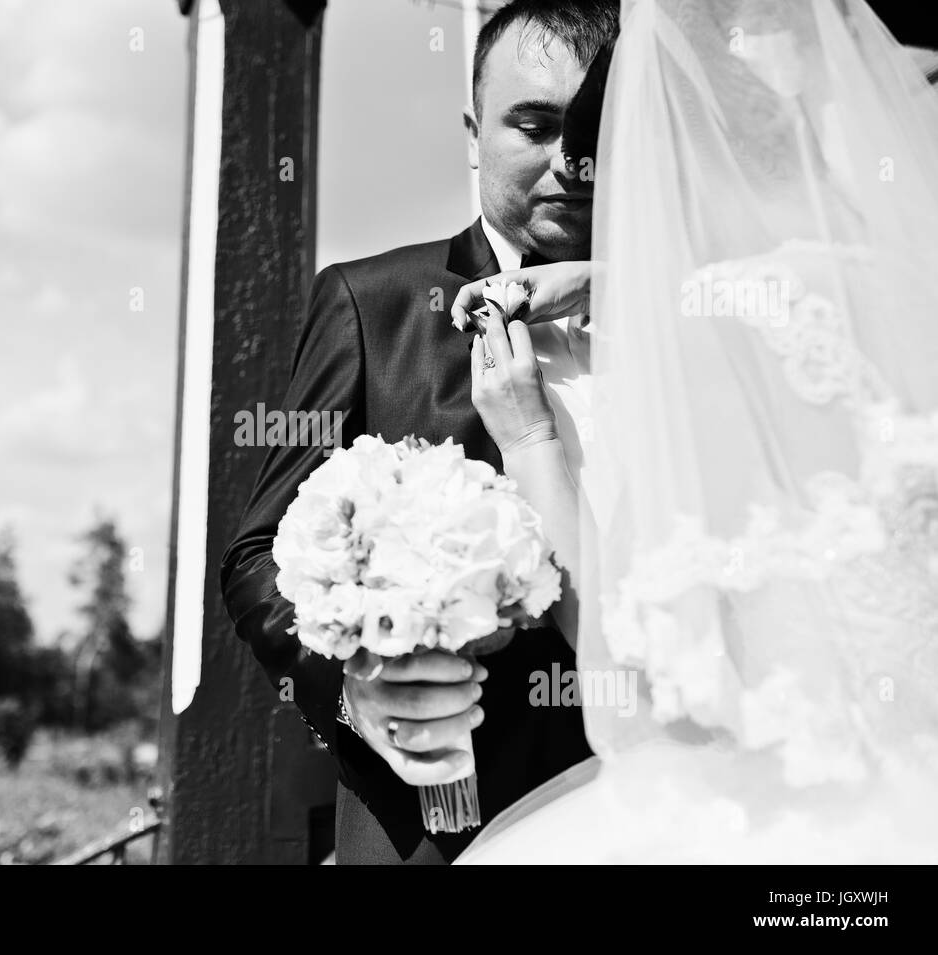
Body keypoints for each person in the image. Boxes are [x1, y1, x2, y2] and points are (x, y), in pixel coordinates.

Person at [456, 0, 938, 863]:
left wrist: (530, 442)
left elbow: (640, 687)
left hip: (781, 821)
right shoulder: (903, 300)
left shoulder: (712, 334)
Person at [219, 0, 618, 864]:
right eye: (536, 125)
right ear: (475, 133)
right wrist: (357, 690)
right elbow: (255, 554)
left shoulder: (698, 327)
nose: (570, 161)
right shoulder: (369, 305)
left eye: (594, 128)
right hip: (431, 837)